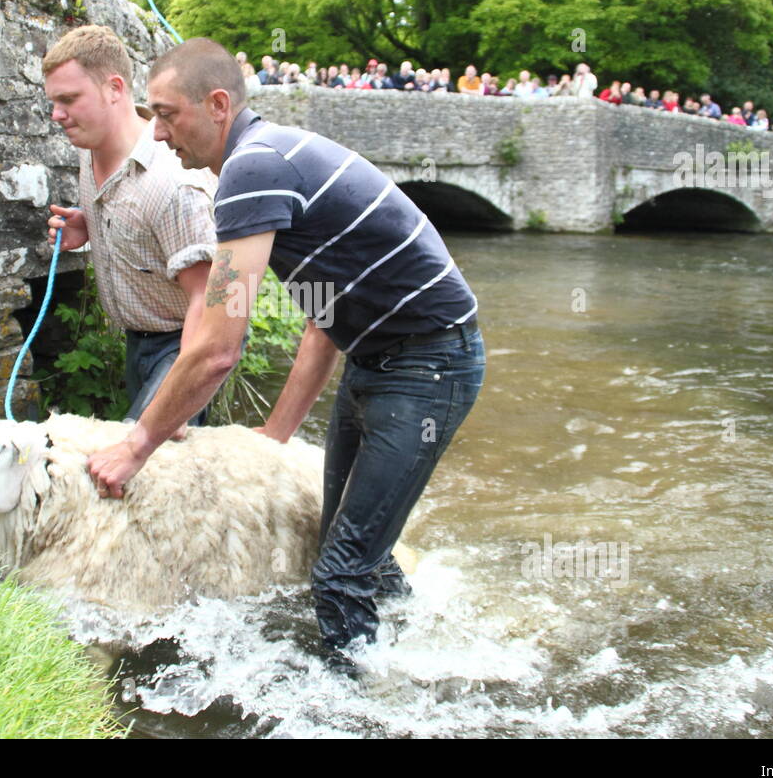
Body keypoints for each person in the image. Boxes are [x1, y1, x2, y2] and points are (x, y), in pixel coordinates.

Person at [85, 37, 485, 668]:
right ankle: (414, 659)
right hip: (380, 358)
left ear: (218, 104)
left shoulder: (252, 170)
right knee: (348, 556)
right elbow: (323, 317)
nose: (157, 134)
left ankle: (362, 713)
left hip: (428, 366)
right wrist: (277, 433)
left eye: (166, 114)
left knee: (336, 577)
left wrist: (136, 445)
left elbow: (218, 346)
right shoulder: (269, 160)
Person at [41, 26, 218, 430]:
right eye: (53, 102)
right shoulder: (91, 150)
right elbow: (135, 218)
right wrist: (90, 227)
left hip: (185, 340)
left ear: (114, 88)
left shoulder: (173, 185)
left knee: (142, 461)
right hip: (140, 339)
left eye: (68, 100)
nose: (56, 115)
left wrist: (177, 402)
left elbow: (208, 303)